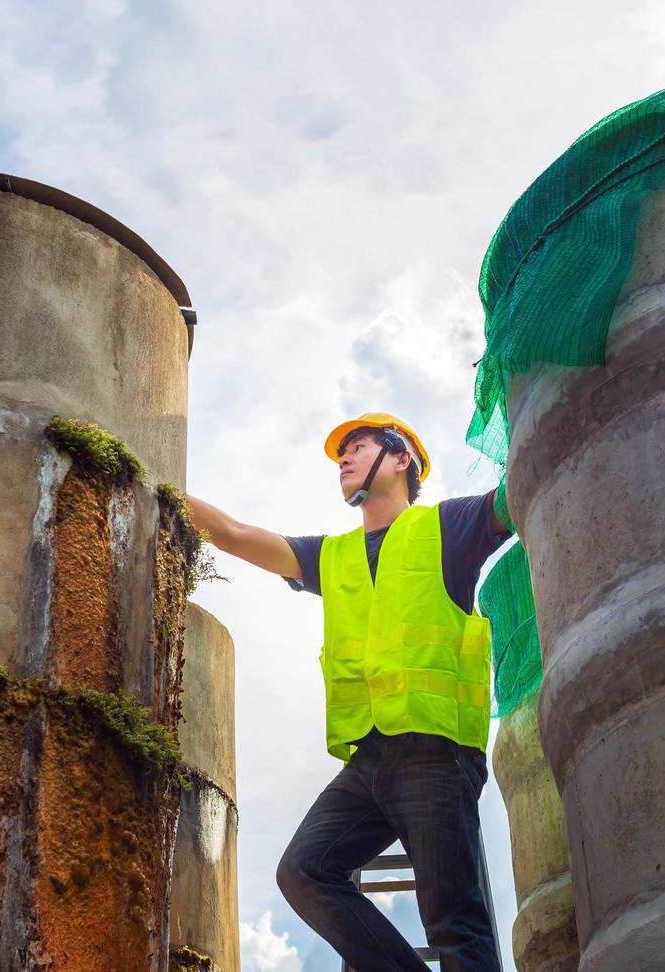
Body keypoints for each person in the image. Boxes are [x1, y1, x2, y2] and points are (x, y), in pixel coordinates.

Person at [187, 412, 508, 971]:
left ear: (401, 458)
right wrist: (160, 482)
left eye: (358, 447)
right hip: (368, 760)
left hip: (436, 749)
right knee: (304, 872)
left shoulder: (449, 528)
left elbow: (516, 496)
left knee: (455, 920)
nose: (344, 458)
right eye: (343, 452)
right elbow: (236, 535)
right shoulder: (331, 557)